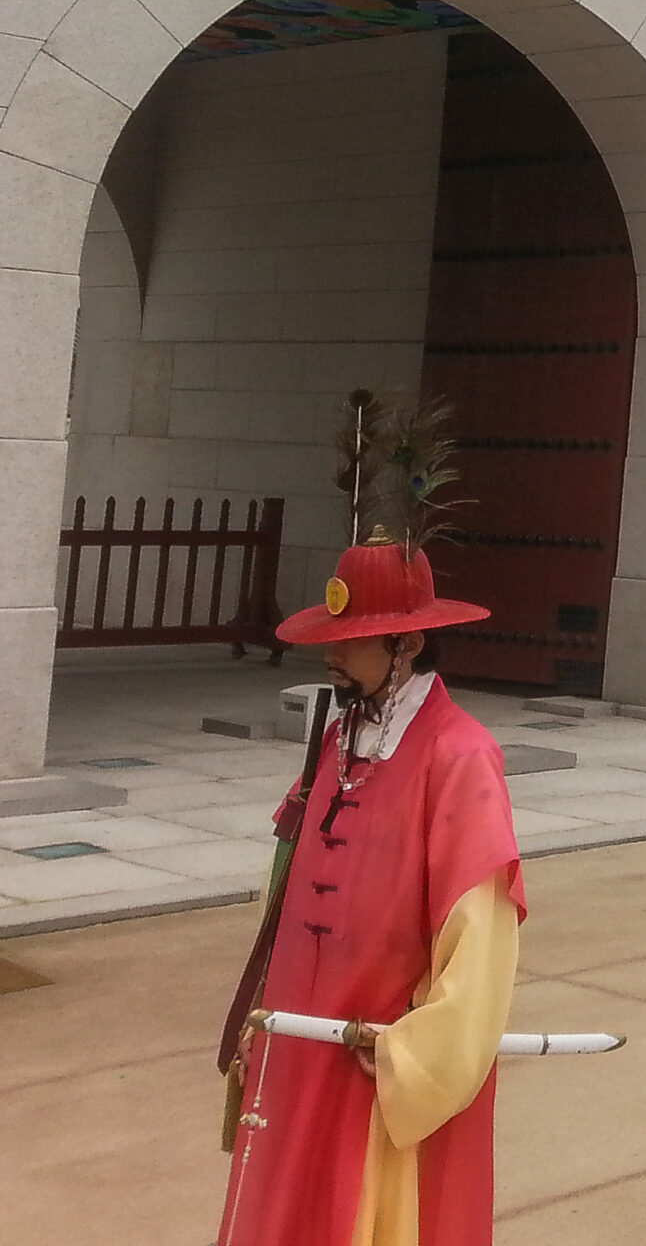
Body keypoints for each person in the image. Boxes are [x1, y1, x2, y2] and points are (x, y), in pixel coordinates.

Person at [215, 530, 525, 1246]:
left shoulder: (460, 755)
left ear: (407, 646)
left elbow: (482, 938)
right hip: (298, 1039)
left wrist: (416, 1050)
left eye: (355, 640)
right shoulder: (336, 741)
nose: (334, 653)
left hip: (372, 1052)